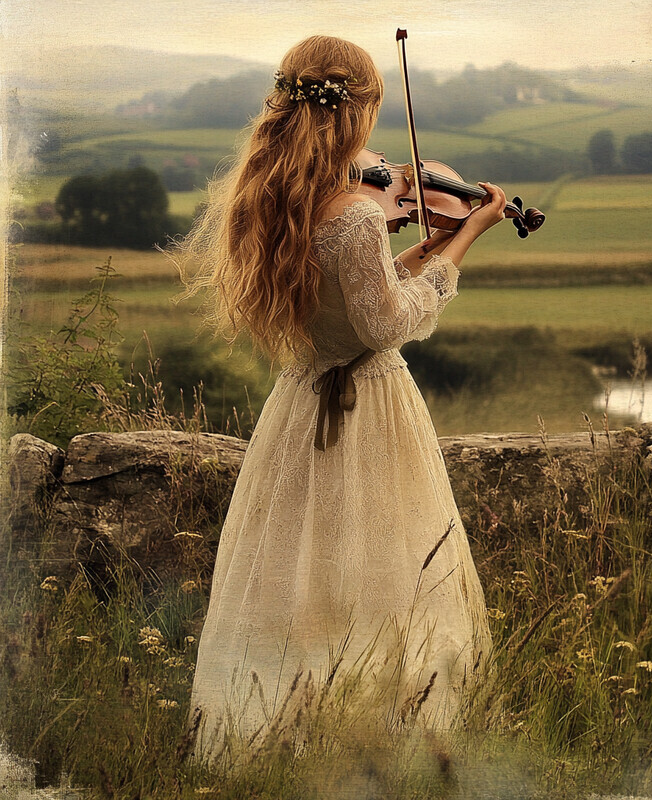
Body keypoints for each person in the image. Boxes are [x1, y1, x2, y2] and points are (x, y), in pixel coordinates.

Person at [160, 34, 507, 766]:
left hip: (298, 403)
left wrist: (418, 251)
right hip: (371, 411)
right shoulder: (352, 211)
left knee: (299, 579)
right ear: (353, 110)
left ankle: (286, 732)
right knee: (388, 574)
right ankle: (384, 740)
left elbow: (354, 297)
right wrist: (463, 240)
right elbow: (383, 324)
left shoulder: (281, 196)